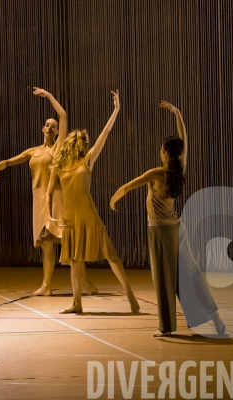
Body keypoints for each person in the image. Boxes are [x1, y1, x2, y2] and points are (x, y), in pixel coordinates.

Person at [110, 101, 225, 336]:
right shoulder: (179, 169)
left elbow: (127, 186)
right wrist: (178, 115)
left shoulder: (156, 173)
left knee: (163, 279)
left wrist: (113, 199)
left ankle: (166, 327)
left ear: (163, 151)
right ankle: (215, 319)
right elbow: (186, 142)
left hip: (160, 233)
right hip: (178, 230)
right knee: (190, 276)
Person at [0, 87, 97, 297]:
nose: (50, 128)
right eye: (47, 125)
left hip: (56, 195)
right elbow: (12, 160)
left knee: (68, 240)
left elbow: (64, 115)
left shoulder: (58, 147)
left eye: (53, 126)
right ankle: (46, 285)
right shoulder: (35, 151)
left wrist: (48, 96)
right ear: (42, 129)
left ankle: (86, 281)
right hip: (38, 198)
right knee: (46, 244)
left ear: (58, 132)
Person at [47, 90, 139, 314]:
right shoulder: (60, 164)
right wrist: (50, 214)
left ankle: (130, 294)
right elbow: (49, 191)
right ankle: (77, 302)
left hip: (88, 214)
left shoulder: (87, 161)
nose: (87, 143)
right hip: (69, 216)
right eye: (84, 140)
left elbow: (105, 134)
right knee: (74, 260)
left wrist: (116, 110)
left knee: (110, 255)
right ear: (74, 142)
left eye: (87, 141)